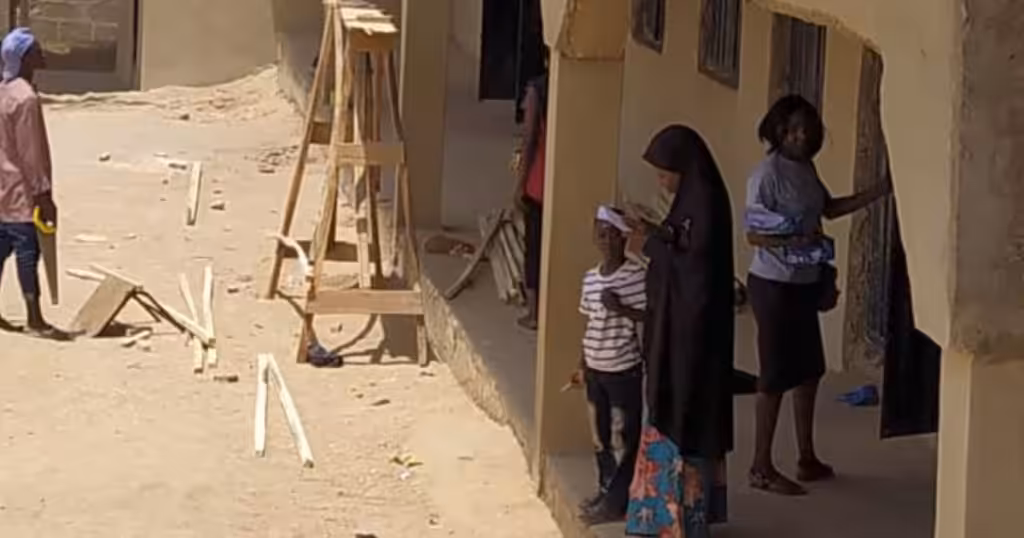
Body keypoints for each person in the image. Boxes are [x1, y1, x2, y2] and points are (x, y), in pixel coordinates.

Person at [745, 95, 890, 495]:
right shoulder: (766, 175)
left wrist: (878, 191)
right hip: (773, 284)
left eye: (806, 129)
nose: (800, 135)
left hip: (804, 281)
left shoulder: (805, 168)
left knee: (809, 372)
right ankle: (760, 466)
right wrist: (796, 235)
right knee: (774, 376)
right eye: (792, 128)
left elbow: (828, 208)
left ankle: (806, 456)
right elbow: (754, 234)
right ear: (777, 130)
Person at [624, 126, 735, 538]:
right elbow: (684, 243)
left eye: (664, 173)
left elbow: (695, 272)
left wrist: (648, 248)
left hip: (693, 344)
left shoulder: (704, 202)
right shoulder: (696, 200)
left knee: (685, 415)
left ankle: (679, 520)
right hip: (685, 337)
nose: (661, 181)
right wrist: (655, 233)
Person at [570, 205, 646, 526]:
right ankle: (607, 491)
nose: (605, 238)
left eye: (612, 233)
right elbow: (590, 325)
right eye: (600, 231)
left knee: (622, 440)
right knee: (600, 437)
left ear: (624, 237)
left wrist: (622, 309)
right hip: (596, 370)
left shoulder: (636, 276)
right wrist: (582, 362)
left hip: (623, 370)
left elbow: (652, 317)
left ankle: (617, 501)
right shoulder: (590, 278)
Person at [0, 27, 68, 340]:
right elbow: (31, 152)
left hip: (2, 187)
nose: (43, 54)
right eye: (37, 50)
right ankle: (34, 318)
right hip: (22, 191)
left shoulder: (4, 91)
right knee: (28, 252)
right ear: (25, 57)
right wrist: (43, 193)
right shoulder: (25, 99)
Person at [511, 51, 548, 331]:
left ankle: (535, 313)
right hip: (562, 184)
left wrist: (519, 184)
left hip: (539, 183)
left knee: (533, 248)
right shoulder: (569, 90)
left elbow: (529, 139)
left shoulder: (538, 90)